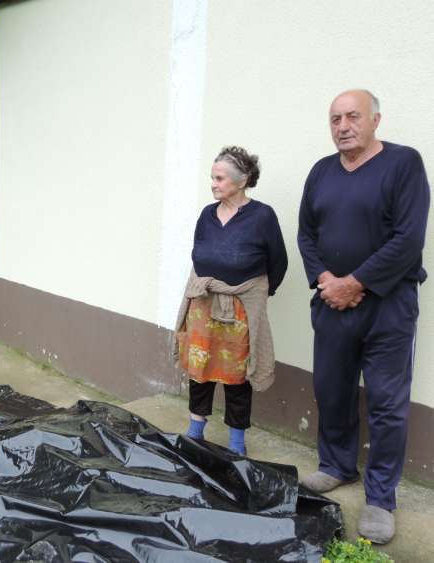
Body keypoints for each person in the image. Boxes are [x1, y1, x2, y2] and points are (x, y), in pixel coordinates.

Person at [297, 89, 430, 544]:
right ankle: (336, 465)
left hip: (388, 306)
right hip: (331, 301)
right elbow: (306, 235)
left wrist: (355, 283)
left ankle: (380, 498)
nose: (342, 125)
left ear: (376, 120)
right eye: (335, 118)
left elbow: (408, 239)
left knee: (388, 403)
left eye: (353, 116)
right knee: (330, 389)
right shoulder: (320, 172)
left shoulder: (403, 164)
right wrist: (325, 280)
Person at [174, 146, 287, 456]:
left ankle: (237, 441)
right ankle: (196, 429)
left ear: (243, 180)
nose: (213, 183)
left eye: (220, 178)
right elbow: (198, 253)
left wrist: (253, 296)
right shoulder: (207, 215)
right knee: (200, 369)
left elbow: (278, 264)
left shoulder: (262, 216)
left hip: (239, 310)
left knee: (238, 376)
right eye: (212, 177)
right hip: (203, 304)